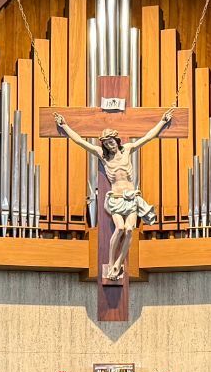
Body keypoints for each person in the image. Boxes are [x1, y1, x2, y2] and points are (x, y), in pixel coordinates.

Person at [55, 109, 175, 281]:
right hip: (116, 199)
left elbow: (148, 137)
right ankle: (111, 263)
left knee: (129, 230)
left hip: (132, 198)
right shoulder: (103, 156)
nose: (109, 145)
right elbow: (80, 141)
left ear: (116, 140)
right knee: (119, 228)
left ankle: (119, 262)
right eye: (106, 143)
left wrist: (163, 122)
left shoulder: (127, 149)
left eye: (111, 141)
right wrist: (65, 126)